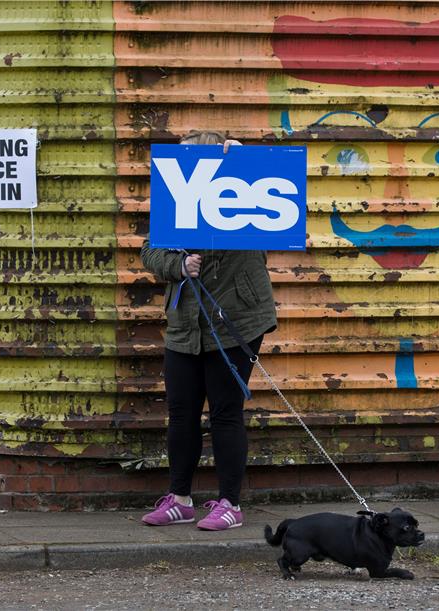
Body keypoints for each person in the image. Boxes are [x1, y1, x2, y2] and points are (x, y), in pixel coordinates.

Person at [140, 130, 277, 530]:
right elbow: (151, 249)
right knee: (181, 412)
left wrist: (244, 165)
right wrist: (177, 266)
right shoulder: (175, 198)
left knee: (224, 411)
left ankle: (230, 504)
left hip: (237, 320)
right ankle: (180, 499)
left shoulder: (243, 194)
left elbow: (270, 222)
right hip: (185, 323)